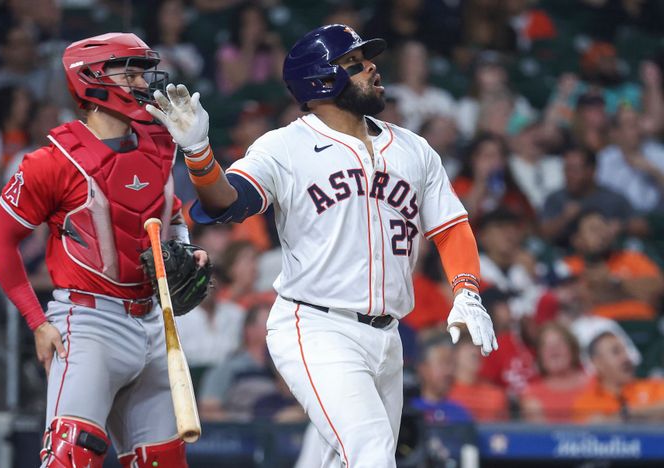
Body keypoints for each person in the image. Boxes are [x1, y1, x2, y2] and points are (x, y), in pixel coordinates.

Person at [148, 24, 497, 468]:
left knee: (340, 460)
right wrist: (198, 150)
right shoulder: (285, 146)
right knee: (371, 454)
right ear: (320, 79)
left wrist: (466, 290)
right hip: (316, 326)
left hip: (388, 337)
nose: (371, 68)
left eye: (367, 61)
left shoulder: (413, 148)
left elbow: (451, 226)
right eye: (355, 63)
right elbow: (229, 201)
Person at [0, 33, 208, 468]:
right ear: (92, 79)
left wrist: (187, 251)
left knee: (164, 462)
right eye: (131, 71)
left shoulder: (162, 142)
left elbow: (172, 216)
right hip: (89, 324)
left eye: (143, 71)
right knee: (70, 459)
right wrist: (36, 321)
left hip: (156, 325)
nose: (143, 82)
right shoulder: (51, 160)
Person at [573, 331, 664, 422]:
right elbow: (591, 425)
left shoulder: (654, 387)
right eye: (616, 352)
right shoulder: (586, 402)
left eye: (625, 351)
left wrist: (628, 413)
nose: (626, 358)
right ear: (597, 363)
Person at [520, 323, 588, 423]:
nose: (553, 349)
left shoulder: (595, 384)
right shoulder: (531, 395)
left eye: (559, 343)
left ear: (572, 349)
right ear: (539, 357)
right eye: (546, 346)